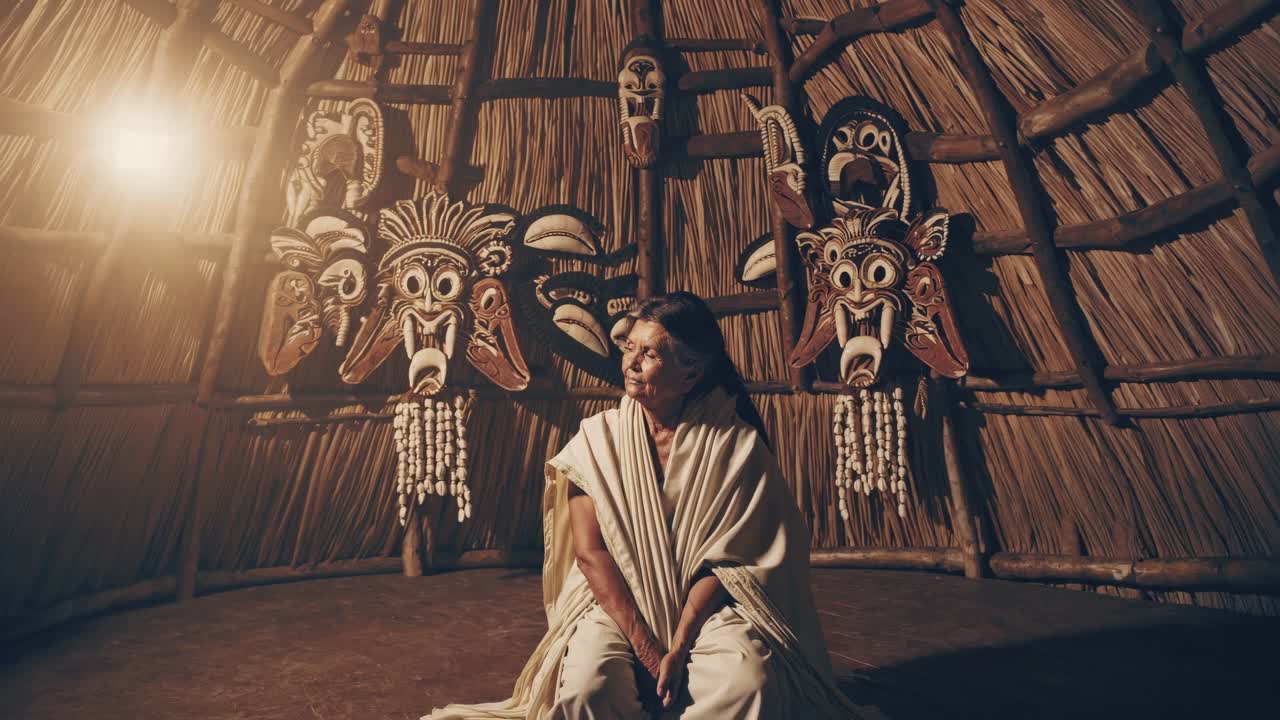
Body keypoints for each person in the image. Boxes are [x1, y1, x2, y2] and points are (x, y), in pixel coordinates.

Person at [424, 292, 868, 719]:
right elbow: (590, 554)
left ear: (691, 374)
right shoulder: (596, 441)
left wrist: (681, 640)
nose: (631, 364)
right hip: (617, 604)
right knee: (587, 688)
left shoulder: (736, 446)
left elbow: (736, 563)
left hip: (705, 610)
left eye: (651, 354)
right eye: (629, 348)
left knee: (747, 682)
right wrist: (646, 647)